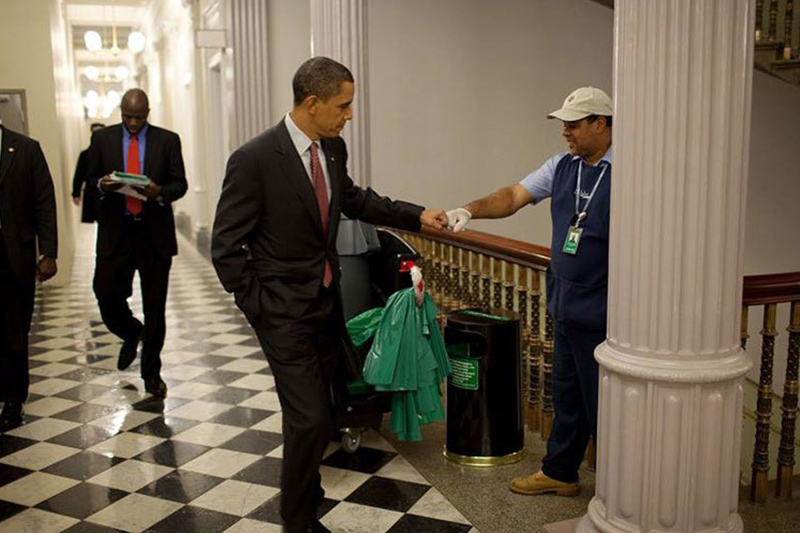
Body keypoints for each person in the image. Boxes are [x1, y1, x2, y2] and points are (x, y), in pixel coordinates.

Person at [212, 57, 447, 533]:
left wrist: (416, 215)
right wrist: (258, 306)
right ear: (313, 103)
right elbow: (225, 247)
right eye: (344, 105)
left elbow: (356, 200)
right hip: (280, 312)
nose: (349, 115)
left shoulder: (332, 149)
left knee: (315, 411)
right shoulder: (255, 159)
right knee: (311, 416)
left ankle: (308, 492)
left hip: (324, 303)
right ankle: (297, 521)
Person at [446, 86, 613, 497]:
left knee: (604, 407)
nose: (566, 133)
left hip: (607, 310)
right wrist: (469, 210)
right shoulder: (562, 166)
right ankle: (560, 471)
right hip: (566, 303)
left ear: (601, 123)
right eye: (564, 126)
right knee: (567, 395)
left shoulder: (631, 170)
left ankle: (624, 493)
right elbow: (515, 195)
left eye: (574, 125)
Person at [86, 88, 187, 397]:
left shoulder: (167, 140)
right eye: (128, 116)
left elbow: (179, 183)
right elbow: (89, 181)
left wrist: (159, 192)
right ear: (120, 112)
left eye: (139, 117)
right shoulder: (102, 140)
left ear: (148, 113)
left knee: (156, 308)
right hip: (116, 233)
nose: (133, 122)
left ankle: (151, 374)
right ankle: (132, 332)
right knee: (104, 292)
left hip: (153, 234)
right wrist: (103, 185)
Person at [0, 123, 58, 431]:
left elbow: (44, 202)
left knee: (14, 332)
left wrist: (48, 252)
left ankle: (13, 398)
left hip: (14, 256)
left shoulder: (25, 148)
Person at [72, 122, 106, 223]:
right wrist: (76, 193)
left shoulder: (111, 154)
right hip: (91, 193)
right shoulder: (85, 155)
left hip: (107, 194)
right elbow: (79, 175)